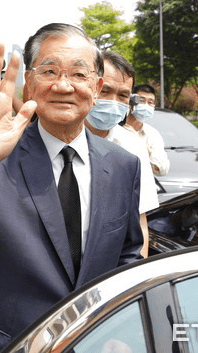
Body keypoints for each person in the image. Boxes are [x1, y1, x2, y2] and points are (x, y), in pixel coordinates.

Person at [0, 23, 143, 353]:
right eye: (49, 71)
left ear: (96, 86)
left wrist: (122, 326)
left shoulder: (123, 165)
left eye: (79, 74)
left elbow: (127, 254)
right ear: (30, 84)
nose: (64, 85)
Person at [84, 51, 159, 257]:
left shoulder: (133, 148)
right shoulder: (61, 137)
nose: (113, 102)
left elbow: (140, 223)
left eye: (123, 95)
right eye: (105, 91)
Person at [124, 84, 169, 176]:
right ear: (131, 102)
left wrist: (146, 153)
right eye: (141, 100)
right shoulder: (116, 129)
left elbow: (162, 170)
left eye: (150, 102)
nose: (146, 105)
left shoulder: (152, 134)